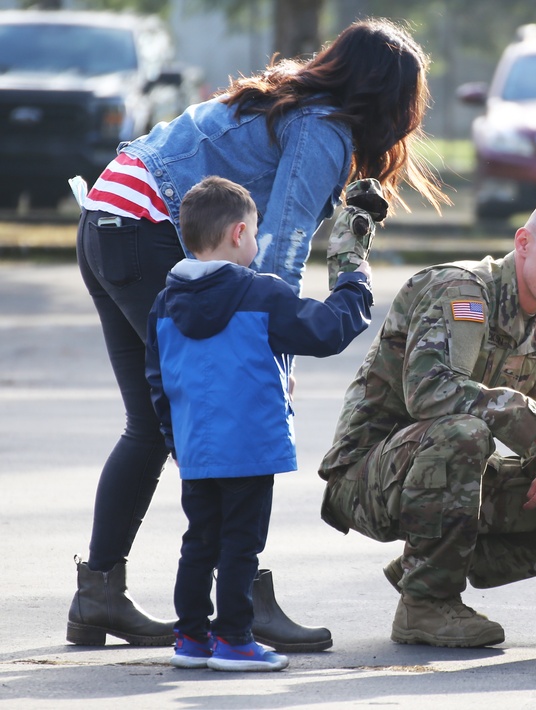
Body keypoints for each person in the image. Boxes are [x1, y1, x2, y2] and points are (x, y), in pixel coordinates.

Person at [70, 17, 444, 652]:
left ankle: (100, 594)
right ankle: (239, 606)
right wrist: (277, 354)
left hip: (108, 220)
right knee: (223, 416)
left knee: (155, 423)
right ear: (392, 99)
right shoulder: (323, 129)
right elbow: (281, 250)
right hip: (147, 228)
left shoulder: (282, 99)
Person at [318, 194, 536, 648]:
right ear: (525, 242)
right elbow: (429, 392)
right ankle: (425, 605)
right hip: (367, 476)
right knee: (463, 432)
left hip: (444, 479)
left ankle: (433, 563)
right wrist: (528, 417)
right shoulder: (462, 290)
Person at [146, 176, 374, 671]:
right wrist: (355, 281)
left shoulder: (164, 303)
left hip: (197, 450)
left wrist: (176, 441)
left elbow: (157, 382)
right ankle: (233, 639)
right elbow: (328, 329)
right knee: (240, 545)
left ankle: (191, 638)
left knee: (200, 539)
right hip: (249, 446)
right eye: (254, 234)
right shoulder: (260, 294)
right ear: (238, 233)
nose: (256, 243)